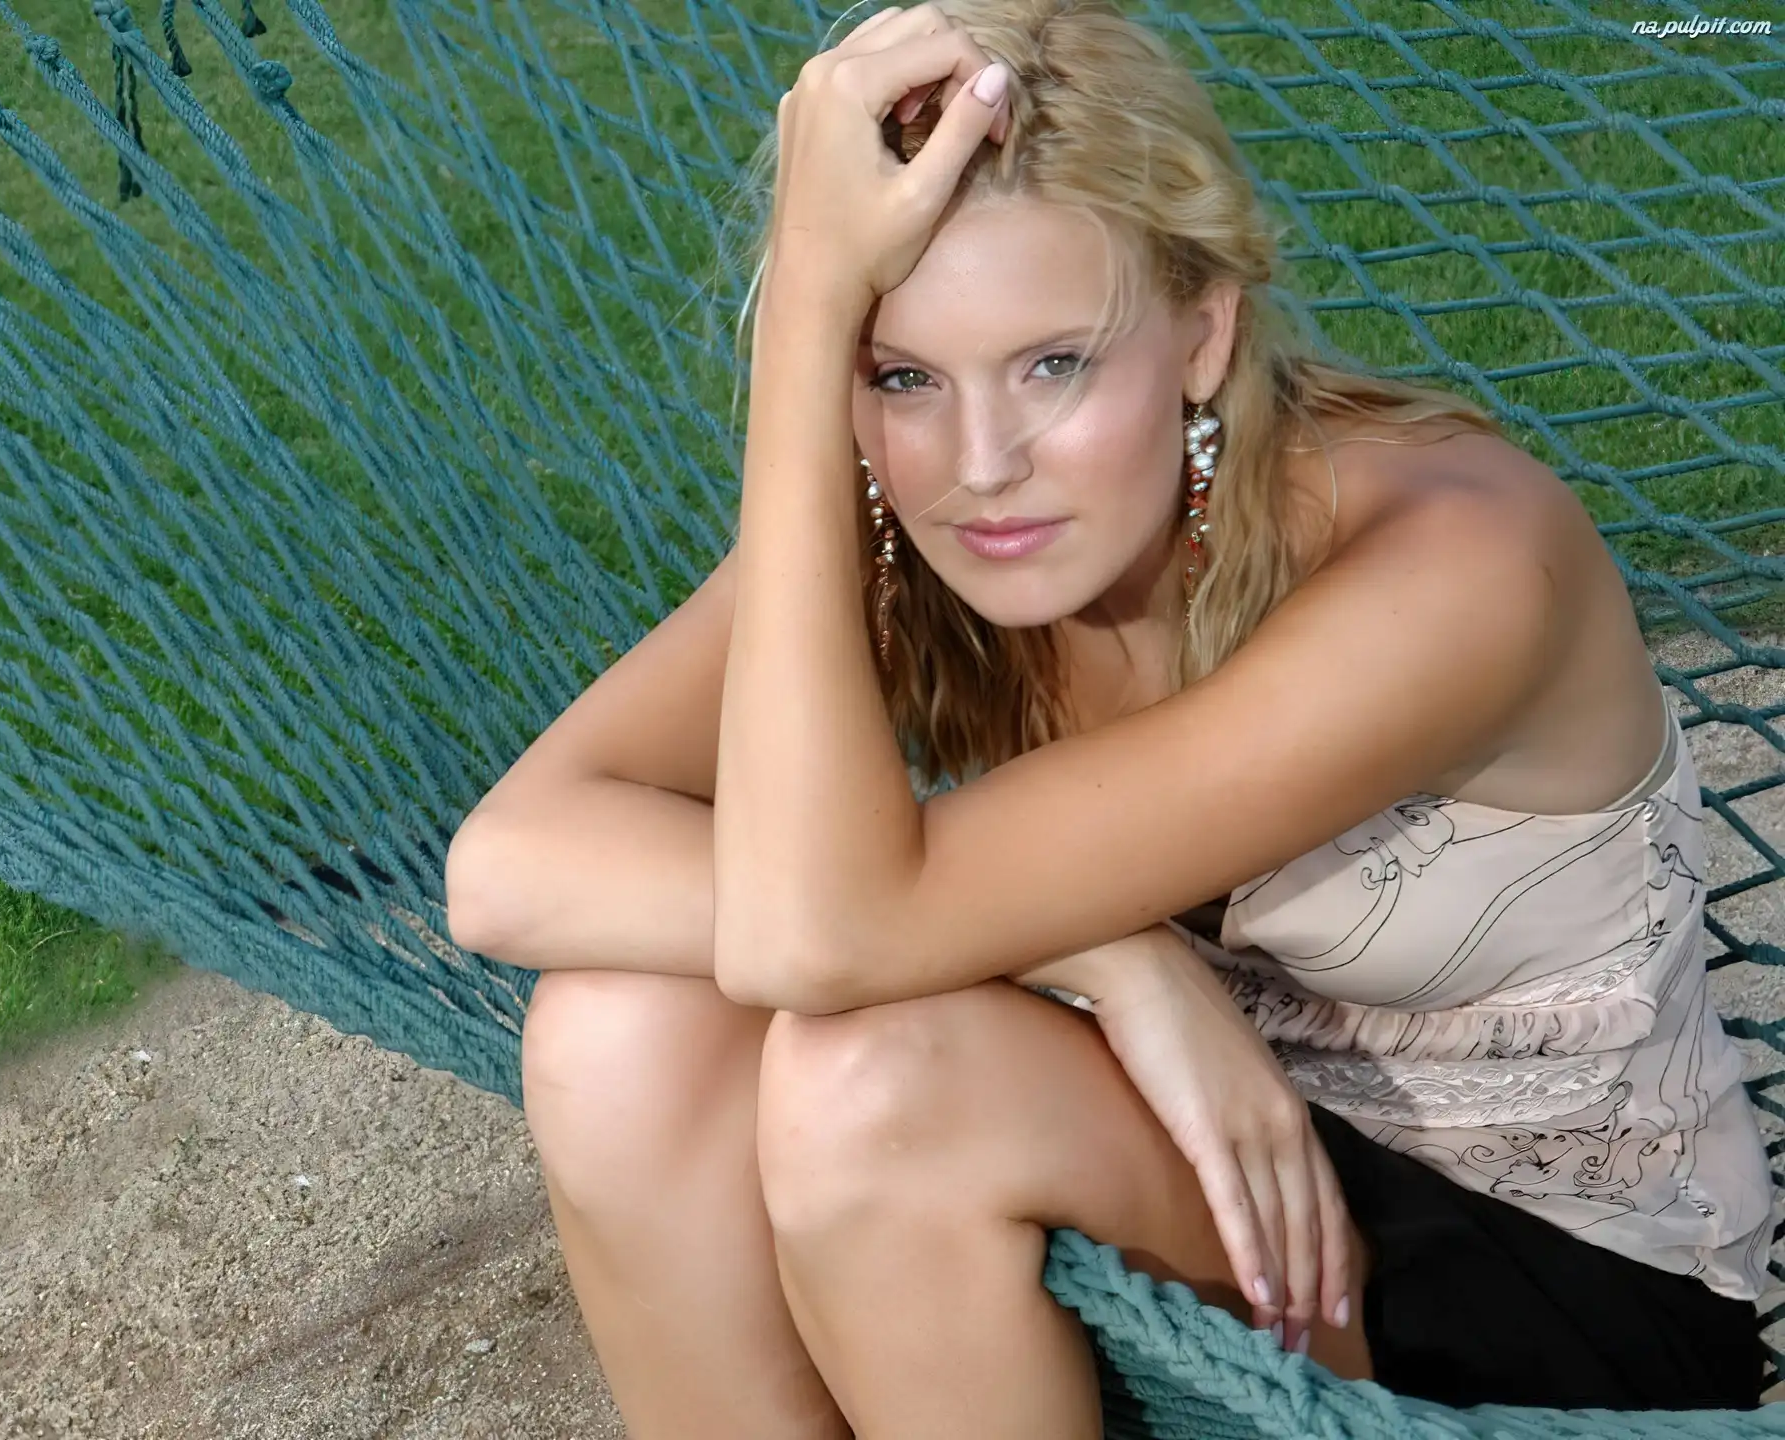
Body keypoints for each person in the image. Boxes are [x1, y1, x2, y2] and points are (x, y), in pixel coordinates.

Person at [442, 0, 1776, 1433]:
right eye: (903, 375)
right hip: (1192, 1151)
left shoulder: (1457, 569)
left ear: (1204, 333)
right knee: (617, 1031)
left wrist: (815, 314)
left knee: (872, 1082)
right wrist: (1113, 959)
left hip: (1553, 1283)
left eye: (1054, 364)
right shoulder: (916, 527)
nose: (982, 465)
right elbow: (507, 867)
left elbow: (814, 939)